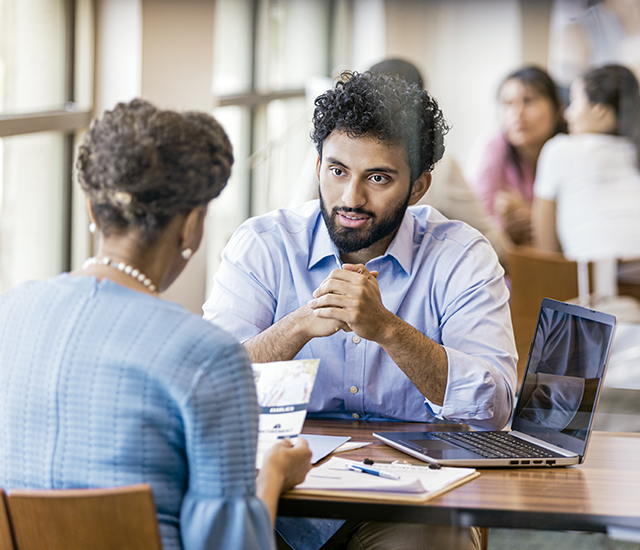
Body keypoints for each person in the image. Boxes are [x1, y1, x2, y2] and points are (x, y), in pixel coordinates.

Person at [203, 71, 517, 550]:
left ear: (418, 186)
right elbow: (209, 391)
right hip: (283, 498)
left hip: (411, 503)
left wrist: (389, 330)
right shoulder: (262, 245)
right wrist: (297, 327)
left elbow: (493, 409)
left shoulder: (462, 257)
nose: (351, 198)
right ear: (317, 167)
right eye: (337, 171)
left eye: (378, 178)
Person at [0, 99, 312, 550]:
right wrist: (274, 474)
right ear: (190, 226)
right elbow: (230, 545)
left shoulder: (10, 312)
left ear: (91, 209)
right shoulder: (209, 355)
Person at [532, 63, 640, 262]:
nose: (567, 114)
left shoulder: (559, 149)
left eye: (573, 102)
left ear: (599, 110)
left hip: (594, 283)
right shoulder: (634, 150)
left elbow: (546, 254)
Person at [465, 66, 567, 246]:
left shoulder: (569, 150)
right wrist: (505, 229)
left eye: (529, 101)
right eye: (507, 103)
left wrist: (531, 214)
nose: (517, 114)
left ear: (557, 107)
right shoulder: (493, 145)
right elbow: (473, 225)